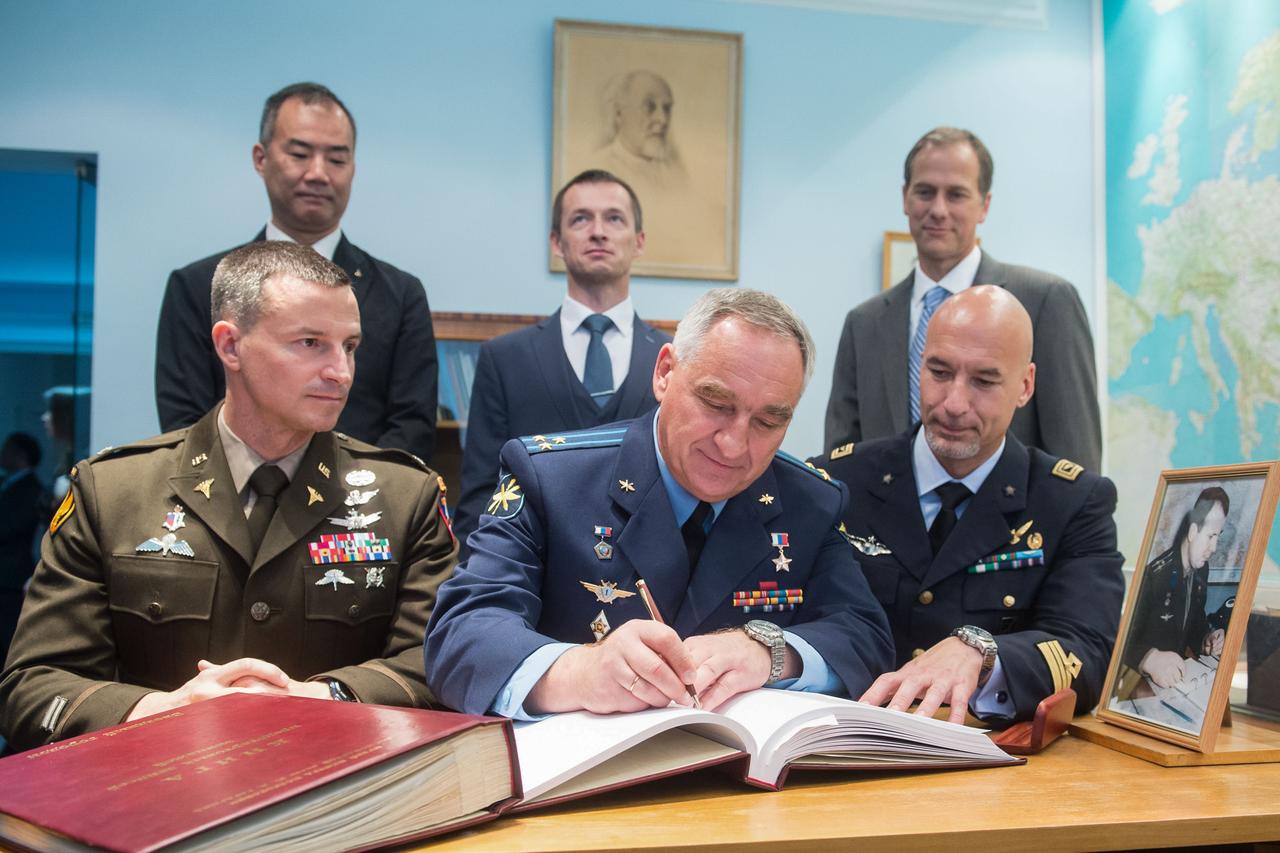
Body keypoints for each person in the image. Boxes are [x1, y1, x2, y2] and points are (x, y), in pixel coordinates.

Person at [1, 242, 457, 752]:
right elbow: (31, 686)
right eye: (310, 343)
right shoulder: (113, 491)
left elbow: (442, 664)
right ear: (230, 346)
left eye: (349, 346)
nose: (341, 373)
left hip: (339, 797)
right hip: (154, 791)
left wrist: (324, 697)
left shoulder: (405, 497)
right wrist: (163, 709)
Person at [427, 288, 893, 718]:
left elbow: (865, 636)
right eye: (716, 403)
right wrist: (578, 673)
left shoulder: (810, 500)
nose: (734, 445)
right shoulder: (551, 478)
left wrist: (770, 651)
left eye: (768, 422)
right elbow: (462, 635)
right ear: (665, 373)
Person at [812, 286, 1123, 724]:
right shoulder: (838, 483)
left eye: (984, 380)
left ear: (1025, 386)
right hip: (841, 744)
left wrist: (983, 653)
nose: (954, 404)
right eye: (939, 372)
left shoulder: (1072, 502)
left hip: (992, 764)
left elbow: (1087, 651)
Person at [155, 82, 438, 462]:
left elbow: (412, 427)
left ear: (353, 168)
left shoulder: (400, 294)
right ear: (261, 158)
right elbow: (184, 424)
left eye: (337, 159)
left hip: (361, 507)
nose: (318, 173)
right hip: (226, 506)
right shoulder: (197, 287)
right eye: (300, 154)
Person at [824, 126, 1101, 472]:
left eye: (956, 194)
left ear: (984, 205)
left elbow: (1076, 461)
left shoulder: (1045, 302)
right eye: (925, 192)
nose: (938, 210)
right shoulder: (864, 324)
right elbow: (840, 466)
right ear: (905, 198)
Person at [452, 170, 670, 556]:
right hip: (530, 574)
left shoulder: (673, 360)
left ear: (639, 242)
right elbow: (481, 496)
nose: (598, 231)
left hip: (650, 579)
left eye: (614, 218)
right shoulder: (504, 358)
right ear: (556, 241)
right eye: (581, 218)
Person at [1121, 487, 1229, 689]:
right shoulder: (1154, 576)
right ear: (1193, 532)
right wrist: (1149, 659)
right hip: (1138, 683)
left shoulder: (1201, 569)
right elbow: (1122, 638)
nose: (1214, 548)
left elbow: (1195, 619)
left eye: (1219, 536)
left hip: (1177, 680)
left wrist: (1206, 638)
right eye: (1211, 536)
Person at [596, 71, 688, 189]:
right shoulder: (599, 169)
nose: (663, 119)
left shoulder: (674, 173)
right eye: (649, 106)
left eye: (667, 108)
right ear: (618, 113)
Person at [0, 432, 46, 661]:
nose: (1, 453)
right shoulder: (8, 484)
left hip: (11, 578)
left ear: (20, 455)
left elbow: (12, 527)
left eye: (6, 448)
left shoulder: (31, 489)